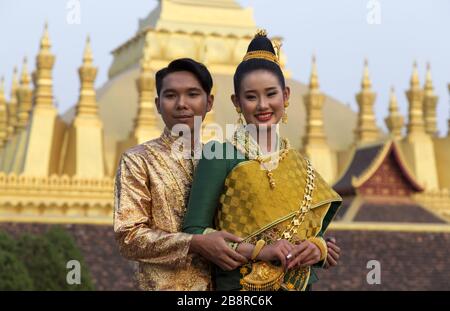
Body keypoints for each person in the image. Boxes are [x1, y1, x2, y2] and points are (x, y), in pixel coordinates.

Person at [183, 30, 342, 291]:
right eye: (251, 97)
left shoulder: (301, 165)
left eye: (271, 94)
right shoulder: (220, 155)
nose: (262, 105)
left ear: (286, 96)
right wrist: (259, 251)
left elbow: (315, 234)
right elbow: (194, 232)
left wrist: (318, 249)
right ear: (237, 102)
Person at [113, 58, 248, 291]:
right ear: (157, 104)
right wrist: (194, 243)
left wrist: (312, 245)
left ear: (209, 103)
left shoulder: (223, 159)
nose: (181, 104)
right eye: (171, 95)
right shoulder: (138, 160)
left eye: (193, 94)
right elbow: (129, 238)